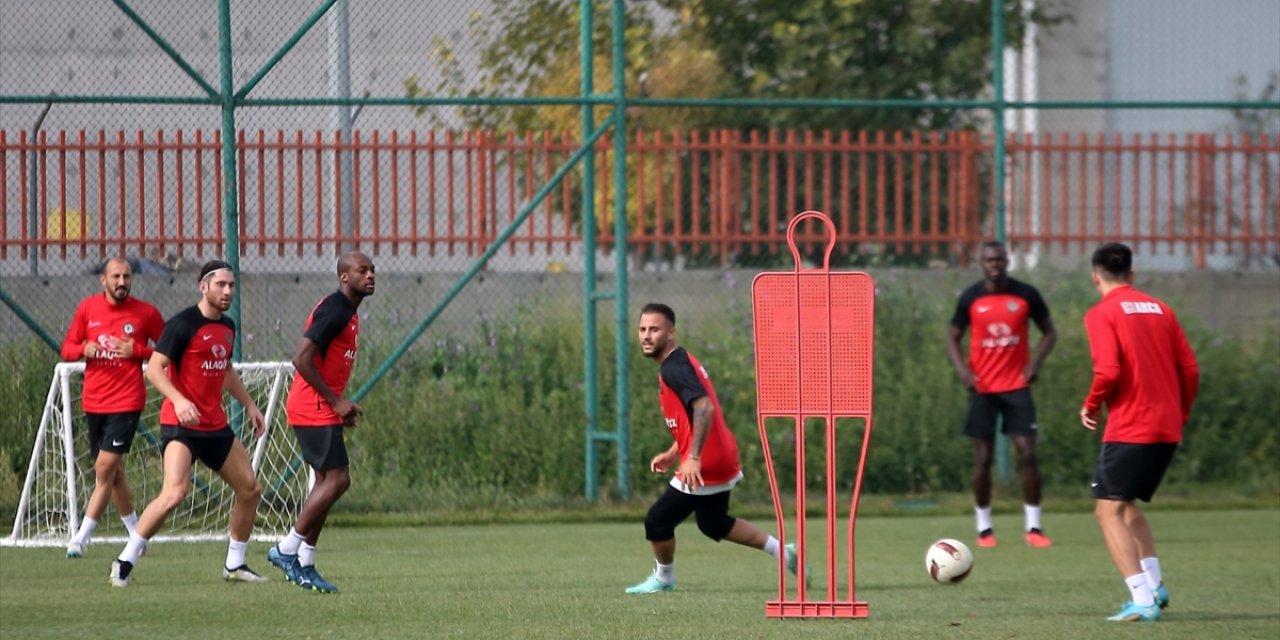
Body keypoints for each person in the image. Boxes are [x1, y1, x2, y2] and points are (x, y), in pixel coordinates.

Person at [108, 260, 268, 587]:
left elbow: (225, 370)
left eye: (231, 285)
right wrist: (179, 400)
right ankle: (124, 560)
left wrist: (249, 404)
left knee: (250, 489)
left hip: (214, 426)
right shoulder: (182, 325)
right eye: (220, 284)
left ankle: (235, 564)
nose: (227, 291)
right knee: (175, 492)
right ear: (203, 287)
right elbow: (154, 369)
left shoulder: (228, 326)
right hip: (181, 426)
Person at [625, 302, 803, 594]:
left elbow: (704, 407)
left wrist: (692, 457)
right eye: (642, 329)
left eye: (654, 329)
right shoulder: (680, 362)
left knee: (657, 521)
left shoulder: (674, 368)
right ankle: (784, 552)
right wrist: (674, 452)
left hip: (705, 460)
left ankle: (664, 579)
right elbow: (691, 417)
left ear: (671, 333)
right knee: (713, 522)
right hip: (721, 455)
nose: (646, 335)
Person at [1080, 242, 1199, 623]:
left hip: (1132, 426)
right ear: (1131, 275)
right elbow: (1190, 370)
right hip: (1167, 427)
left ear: (1095, 277)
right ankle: (1156, 586)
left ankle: (1142, 599)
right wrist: (1181, 412)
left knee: (1106, 510)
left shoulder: (1102, 313)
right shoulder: (1162, 309)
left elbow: (1109, 372)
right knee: (1126, 506)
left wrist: (1091, 403)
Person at [267, 251, 376, 594]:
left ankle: (307, 562)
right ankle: (286, 550)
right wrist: (334, 401)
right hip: (313, 406)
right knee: (339, 479)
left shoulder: (349, 312)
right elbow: (301, 358)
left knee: (325, 485)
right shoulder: (336, 308)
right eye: (362, 270)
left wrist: (338, 407)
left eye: (372, 270)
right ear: (344, 277)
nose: (370, 275)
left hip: (320, 407)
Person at [945, 241, 1058, 548]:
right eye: (989, 260)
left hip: (1017, 386)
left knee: (1027, 452)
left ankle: (1033, 527)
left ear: (1007, 262)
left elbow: (1050, 331)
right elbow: (952, 337)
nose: (995, 264)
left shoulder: (1026, 294)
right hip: (982, 388)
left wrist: (1035, 363)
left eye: (999, 259)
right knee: (982, 457)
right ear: (981, 264)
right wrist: (963, 372)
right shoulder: (970, 297)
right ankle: (984, 529)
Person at [60, 257, 165, 558]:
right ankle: (136, 534)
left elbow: (170, 348)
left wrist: (139, 351)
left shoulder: (145, 313)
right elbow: (67, 348)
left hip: (127, 401)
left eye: (127, 277)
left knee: (103, 469)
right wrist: (83, 349)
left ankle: (81, 537)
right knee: (114, 474)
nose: (122, 282)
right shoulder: (87, 309)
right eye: (116, 276)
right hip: (94, 402)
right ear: (103, 280)